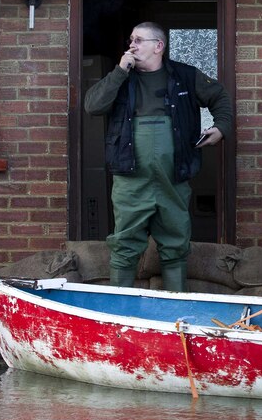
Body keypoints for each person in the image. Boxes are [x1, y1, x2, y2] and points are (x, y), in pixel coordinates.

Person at [84, 22, 233, 292]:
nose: (132, 45)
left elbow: (220, 97)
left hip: (173, 175)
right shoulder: (121, 78)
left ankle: (174, 315)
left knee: (176, 242)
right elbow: (93, 106)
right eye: (131, 40)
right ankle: (118, 316)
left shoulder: (186, 76)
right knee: (125, 243)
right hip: (130, 176)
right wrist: (119, 71)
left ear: (158, 46)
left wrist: (221, 127)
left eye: (139, 40)